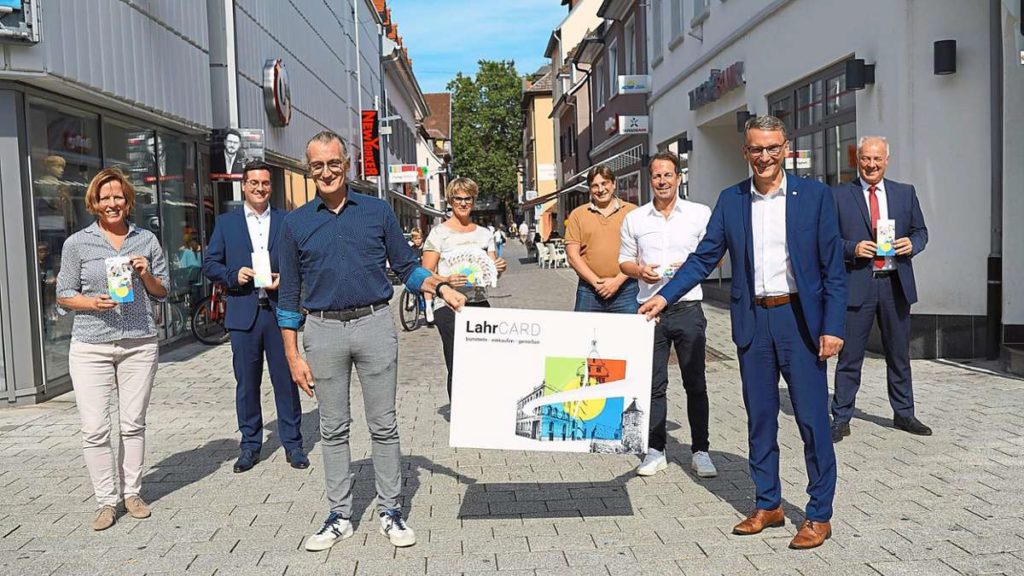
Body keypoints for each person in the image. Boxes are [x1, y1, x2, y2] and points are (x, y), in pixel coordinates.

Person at [639, 115, 846, 550]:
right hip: (754, 322)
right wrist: (665, 297)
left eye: (772, 148)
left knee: (812, 421)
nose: (764, 156)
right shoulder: (732, 200)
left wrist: (833, 327)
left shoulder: (814, 196)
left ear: (784, 148)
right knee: (760, 419)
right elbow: (703, 257)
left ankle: (818, 514)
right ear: (745, 151)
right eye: (756, 149)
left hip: (800, 321)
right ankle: (768, 504)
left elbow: (833, 268)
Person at [276, 131, 465, 552]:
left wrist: (440, 287)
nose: (326, 172)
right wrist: (292, 355)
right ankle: (339, 516)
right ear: (309, 170)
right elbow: (288, 295)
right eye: (318, 165)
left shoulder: (377, 211)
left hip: (375, 324)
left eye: (333, 163)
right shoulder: (295, 224)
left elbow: (407, 267)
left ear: (347, 164)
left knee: (384, 425)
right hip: (322, 330)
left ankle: (391, 511)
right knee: (332, 428)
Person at [55, 168, 169, 531]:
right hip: (91, 345)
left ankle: (132, 493)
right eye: (105, 198)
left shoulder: (146, 240)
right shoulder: (77, 243)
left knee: (132, 424)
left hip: (139, 343)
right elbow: (63, 294)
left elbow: (163, 291)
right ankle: (106, 501)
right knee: (94, 429)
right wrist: (91, 303)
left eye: (118, 196)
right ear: (94, 202)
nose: (112, 203)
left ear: (128, 200)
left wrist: (146, 273)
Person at [202, 160, 307, 474]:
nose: (260, 188)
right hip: (243, 313)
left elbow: (301, 262)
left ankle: (293, 444)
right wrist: (234, 275)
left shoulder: (287, 221)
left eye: (265, 183)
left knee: (285, 381)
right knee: (247, 384)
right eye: (254, 183)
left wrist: (285, 278)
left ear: (270, 186)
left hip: (278, 313)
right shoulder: (226, 223)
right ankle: (249, 446)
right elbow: (210, 264)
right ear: (244, 186)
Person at [619, 152, 716, 479]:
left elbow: (714, 257)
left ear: (679, 177)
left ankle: (701, 450)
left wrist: (690, 267)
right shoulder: (635, 218)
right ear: (651, 180)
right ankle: (655, 450)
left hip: (688, 306)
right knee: (652, 385)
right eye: (657, 176)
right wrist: (639, 271)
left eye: (668, 175)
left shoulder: (699, 214)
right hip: (649, 310)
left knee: (695, 382)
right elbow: (624, 261)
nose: (662, 181)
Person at [831, 136, 931, 442]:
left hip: (894, 285)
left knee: (899, 355)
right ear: (857, 160)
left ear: (886, 160)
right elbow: (827, 240)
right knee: (850, 357)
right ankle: (841, 417)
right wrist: (852, 248)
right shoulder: (839, 195)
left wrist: (912, 244)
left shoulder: (904, 193)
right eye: (865, 158)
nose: (871, 165)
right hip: (857, 285)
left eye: (877, 159)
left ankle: (904, 414)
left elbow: (921, 231)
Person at [422, 178, 507, 399]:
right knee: (457, 361)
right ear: (450, 201)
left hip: (478, 302)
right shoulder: (439, 233)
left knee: (482, 361)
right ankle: (458, 410)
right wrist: (446, 280)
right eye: (458, 198)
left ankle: (479, 405)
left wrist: (499, 267)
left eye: (467, 198)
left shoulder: (484, 234)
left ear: (473, 200)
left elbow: (490, 271)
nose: (463, 203)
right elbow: (425, 272)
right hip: (448, 305)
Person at [565, 165, 638, 313]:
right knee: (585, 329)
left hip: (627, 288)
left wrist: (617, 281)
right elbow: (572, 255)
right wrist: (597, 283)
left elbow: (641, 251)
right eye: (595, 186)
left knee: (629, 329)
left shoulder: (632, 212)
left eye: (605, 183)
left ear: (614, 184)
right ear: (590, 189)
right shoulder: (578, 215)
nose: (600, 189)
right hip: (589, 290)